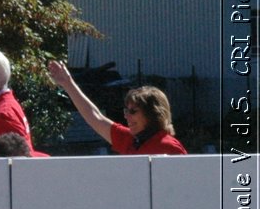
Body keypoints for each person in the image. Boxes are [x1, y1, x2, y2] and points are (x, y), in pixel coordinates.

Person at [46, 61, 188, 156]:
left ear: (153, 114)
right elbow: (95, 117)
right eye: (126, 110)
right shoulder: (130, 139)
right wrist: (68, 83)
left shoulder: (170, 147)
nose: (126, 116)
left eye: (133, 111)